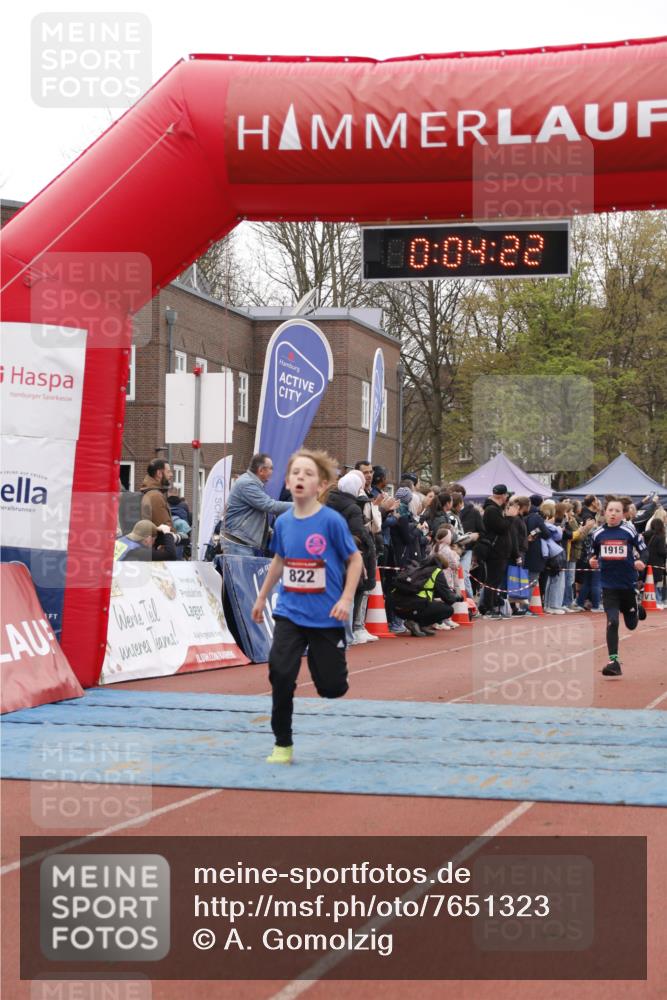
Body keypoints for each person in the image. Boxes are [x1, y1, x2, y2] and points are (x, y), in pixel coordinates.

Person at [251, 449, 362, 764]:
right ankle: (282, 743)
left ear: (322, 485)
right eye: (295, 473)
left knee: (331, 687)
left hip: (326, 616)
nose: (300, 477)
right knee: (281, 674)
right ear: (287, 481)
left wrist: (345, 598)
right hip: (290, 612)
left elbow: (355, 560)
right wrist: (261, 597)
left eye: (308, 474)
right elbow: (280, 560)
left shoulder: (332, 522)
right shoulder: (284, 522)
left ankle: (329, 664)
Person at [590, 497, 647, 677]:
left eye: (617, 511)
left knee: (631, 625)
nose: (613, 514)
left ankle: (636, 608)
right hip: (608, 586)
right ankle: (613, 662)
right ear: (604, 512)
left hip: (627, 585)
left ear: (623, 514)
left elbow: (644, 550)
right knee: (612, 621)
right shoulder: (597, 533)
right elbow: (593, 554)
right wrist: (591, 561)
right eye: (610, 510)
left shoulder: (629, 530)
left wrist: (641, 561)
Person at [326, 470, 377, 645]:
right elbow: (358, 532)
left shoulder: (328, 501)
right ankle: (347, 635)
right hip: (349, 555)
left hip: (329, 554)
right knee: (351, 593)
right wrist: (368, 545)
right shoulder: (353, 508)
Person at [221, 453, 293, 556]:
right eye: (271, 468)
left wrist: (270, 532)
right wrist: (301, 505)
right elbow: (270, 505)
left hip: (242, 542)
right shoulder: (247, 484)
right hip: (238, 543)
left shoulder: (252, 483)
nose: (272, 472)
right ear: (261, 470)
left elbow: (255, 515)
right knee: (241, 573)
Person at [391, 551, 459, 636]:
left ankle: (417, 625)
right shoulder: (436, 571)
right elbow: (448, 597)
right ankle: (419, 624)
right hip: (414, 606)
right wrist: (456, 597)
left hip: (396, 607)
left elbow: (424, 589)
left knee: (429, 603)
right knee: (448, 610)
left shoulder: (418, 569)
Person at [477, 485, 518, 619]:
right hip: (495, 552)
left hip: (500, 551)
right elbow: (501, 528)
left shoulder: (495, 509)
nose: (508, 498)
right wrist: (510, 517)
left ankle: (492, 605)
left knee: (495, 580)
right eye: (507, 496)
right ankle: (487, 607)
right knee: (492, 581)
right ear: (503, 496)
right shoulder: (491, 510)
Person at [114, 520, 178, 561]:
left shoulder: (122, 540)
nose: (154, 543)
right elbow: (171, 555)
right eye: (154, 539)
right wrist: (167, 533)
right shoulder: (138, 551)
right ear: (148, 538)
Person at [140, 459, 174, 529]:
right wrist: (177, 536)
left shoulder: (150, 492)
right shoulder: (156, 496)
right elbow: (165, 527)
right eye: (168, 472)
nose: (171, 475)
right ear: (159, 473)